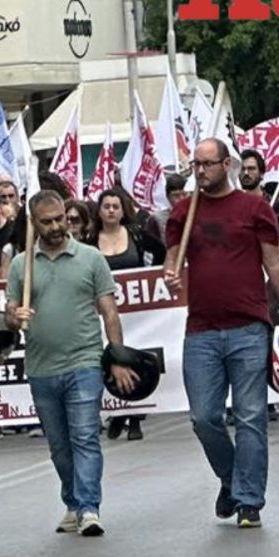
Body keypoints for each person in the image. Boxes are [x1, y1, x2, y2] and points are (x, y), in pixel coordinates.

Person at [162, 138, 279, 530]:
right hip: (202, 329)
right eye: (196, 164)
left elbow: (273, 264)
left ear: (227, 164)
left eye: (208, 164)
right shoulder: (183, 212)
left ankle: (249, 499)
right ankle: (230, 476)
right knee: (204, 417)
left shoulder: (254, 208)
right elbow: (171, 259)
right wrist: (170, 274)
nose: (201, 170)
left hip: (247, 326)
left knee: (251, 416)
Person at [8, 190, 136, 537]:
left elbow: (109, 311)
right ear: (33, 224)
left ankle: (90, 507)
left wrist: (118, 358)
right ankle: (73, 502)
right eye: (46, 221)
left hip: (85, 362)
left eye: (59, 219)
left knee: (84, 437)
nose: (55, 226)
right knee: (59, 445)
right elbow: (9, 312)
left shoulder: (91, 258)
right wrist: (13, 314)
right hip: (41, 368)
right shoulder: (22, 265)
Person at [90, 188, 160, 443]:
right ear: (99, 211)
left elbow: (162, 256)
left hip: (137, 314)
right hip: (105, 313)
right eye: (106, 205)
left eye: (115, 206)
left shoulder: (138, 236)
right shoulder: (89, 242)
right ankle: (117, 411)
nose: (110, 210)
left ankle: (135, 418)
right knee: (111, 358)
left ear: (123, 210)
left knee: (134, 360)